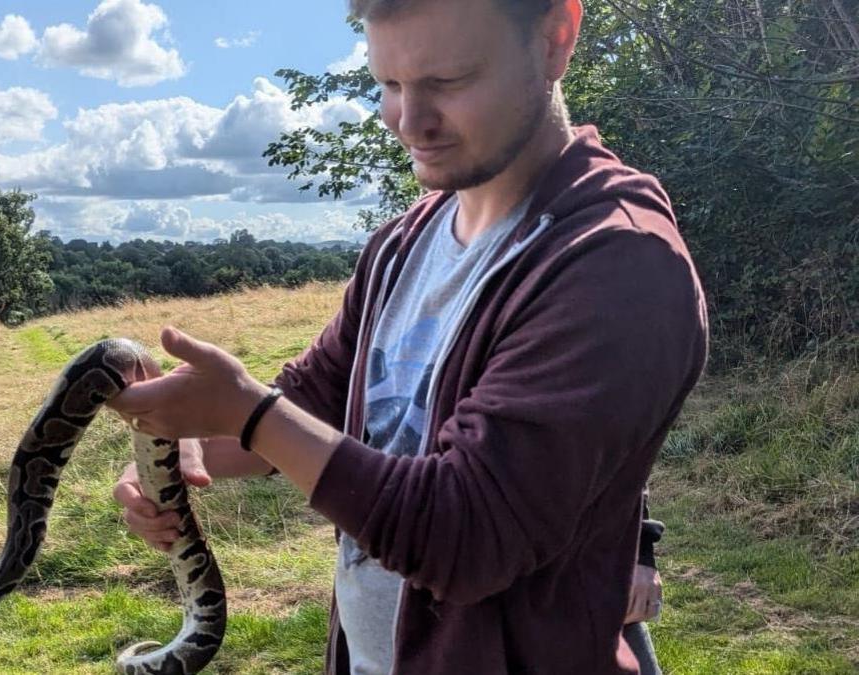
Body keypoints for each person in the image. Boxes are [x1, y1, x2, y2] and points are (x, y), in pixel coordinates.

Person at [109, 0, 708, 672]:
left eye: (447, 83)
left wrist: (251, 413)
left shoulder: (618, 262)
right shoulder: (403, 243)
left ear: (555, 39)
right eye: (388, 84)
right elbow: (313, 401)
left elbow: (468, 535)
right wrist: (182, 451)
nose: (408, 122)